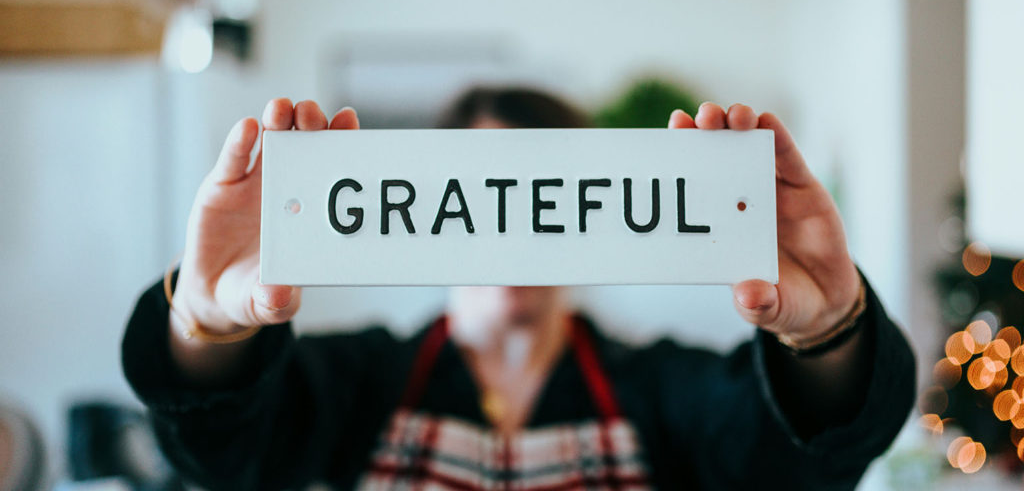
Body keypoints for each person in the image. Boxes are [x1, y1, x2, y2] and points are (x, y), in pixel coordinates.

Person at [122, 87, 916, 490]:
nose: (512, 226)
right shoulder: (356, 380)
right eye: (484, 189)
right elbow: (221, 452)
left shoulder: (665, 389)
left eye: (541, 193)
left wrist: (830, 330)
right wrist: (207, 323)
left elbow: (797, 464)